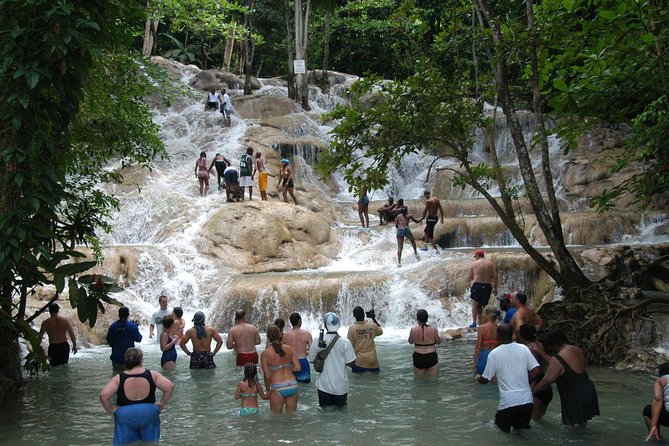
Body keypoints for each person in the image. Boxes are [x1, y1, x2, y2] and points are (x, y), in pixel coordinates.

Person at [99, 348, 174, 446]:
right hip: (149, 412)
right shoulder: (152, 374)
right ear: (141, 360)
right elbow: (169, 386)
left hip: (126, 414)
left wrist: (112, 410)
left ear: (125, 361)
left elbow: (104, 395)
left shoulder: (118, 378)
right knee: (151, 443)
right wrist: (162, 403)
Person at [477, 324, 540, 434]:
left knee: (501, 432)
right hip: (527, 401)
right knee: (519, 432)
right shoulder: (523, 348)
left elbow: (486, 379)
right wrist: (525, 383)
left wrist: (477, 379)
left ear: (497, 336)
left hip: (508, 402)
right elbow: (536, 370)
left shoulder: (494, 354)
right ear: (513, 334)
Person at [531, 329, 599, 426]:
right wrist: (540, 352)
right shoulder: (575, 349)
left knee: (573, 428)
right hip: (588, 390)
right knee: (581, 424)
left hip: (574, 396)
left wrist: (530, 391)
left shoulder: (558, 358)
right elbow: (559, 363)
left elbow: (547, 381)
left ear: (554, 345)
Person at [308, 312, 356, 408]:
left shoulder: (318, 341)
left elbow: (312, 359)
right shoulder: (345, 342)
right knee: (341, 415)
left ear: (325, 326)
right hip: (341, 387)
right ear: (338, 324)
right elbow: (352, 363)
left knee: (325, 415)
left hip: (324, 386)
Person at [261, 324, 301, 413]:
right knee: (292, 417)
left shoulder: (265, 354)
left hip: (277, 388)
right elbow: (298, 368)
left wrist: (268, 390)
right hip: (292, 385)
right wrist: (288, 369)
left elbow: (267, 376)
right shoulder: (289, 348)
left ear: (267, 337)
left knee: (276, 420)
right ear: (280, 335)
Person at [518, 324, 553, 421]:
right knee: (538, 421)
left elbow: (534, 370)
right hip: (545, 387)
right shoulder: (539, 344)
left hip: (536, 387)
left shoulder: (529, 349)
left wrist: (529, 390)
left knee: (531, 422)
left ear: (521, 335)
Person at [467, 249, 498, 328]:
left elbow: (470, 277)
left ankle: (474, 322)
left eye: (475, 256)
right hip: (487, 285)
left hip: (477, 285)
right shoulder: (491, 264)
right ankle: (486, 322)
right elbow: (495, 277)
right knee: (485, 305)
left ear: (477, 256)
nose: (475, 258)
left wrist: (469, 282)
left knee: (475, 304)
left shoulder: (474, 264)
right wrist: (495, 288)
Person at [347, 306, 383, 373]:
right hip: (373, 362)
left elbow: (349, 346)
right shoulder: (372, 325)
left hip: (359, 362)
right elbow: (380, 332)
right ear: (364, 314)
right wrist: (373, 318)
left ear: (354, 316)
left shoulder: (352, 329)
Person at [107, 307, 143, 371]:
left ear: (119, 315)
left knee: (117, 378)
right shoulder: (132, 326)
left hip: (116, 357)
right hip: (129, 358)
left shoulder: (113, 326)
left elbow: (108, 340)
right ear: (128, 314)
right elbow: (139, 339)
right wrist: (136, 327)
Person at [408, 309, 441, 377]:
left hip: (418, 356)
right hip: (431, 356)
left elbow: (410, 342)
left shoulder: (413, 330)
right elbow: (438, 342)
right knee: (433, 381)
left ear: (417, 318)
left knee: (418, 380)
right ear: (427, 318)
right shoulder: (433, 329)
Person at [282, 312, 313, 383]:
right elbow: (312, 351)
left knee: (291, 386)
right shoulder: (307, 334)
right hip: (303, 363)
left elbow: (282, 351)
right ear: (299, 321)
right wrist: (305, 351)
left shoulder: (285, 335)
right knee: (305, 387)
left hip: (290, 363)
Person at [473, 305, 500, 380]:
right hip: (496, 355)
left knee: (479, 379)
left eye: (484, 313)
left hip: (484, 356)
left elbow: (478, 346)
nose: (483, 315)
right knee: (494, 379)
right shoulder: (499, 328)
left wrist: (475, 361)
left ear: (487, 314)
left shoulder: (482, 328)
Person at [643, 362, 669, 441]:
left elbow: (657, 399)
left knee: (648, 410)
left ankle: (656, 438)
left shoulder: (661, 380)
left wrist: (653, 425)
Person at [395, 201, 422, 267]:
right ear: (406, 210)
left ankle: (399, 262)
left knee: (400, 247)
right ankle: (415, 253)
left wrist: (399, 228)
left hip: (400, 230)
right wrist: (422, 219)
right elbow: (416, 221)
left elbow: (396, 225)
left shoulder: (398, 216)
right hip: (406, 230)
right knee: (412, 240)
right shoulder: (409, 215)